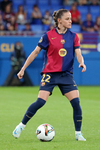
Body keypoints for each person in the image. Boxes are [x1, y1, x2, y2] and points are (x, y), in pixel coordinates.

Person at [12, 9, 87, 141]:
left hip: (66, 75)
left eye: (70, 18)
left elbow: (78, 53)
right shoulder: (48, 35)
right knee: (40, 102)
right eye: (67, 19)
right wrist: (23, 68)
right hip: (50, 74)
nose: (71, 21)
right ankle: (21, 126)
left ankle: (78, 134)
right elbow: (35, 52)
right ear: (59, 21)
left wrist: (82, 63)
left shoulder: (74, 36)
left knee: (76, 103)